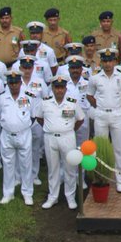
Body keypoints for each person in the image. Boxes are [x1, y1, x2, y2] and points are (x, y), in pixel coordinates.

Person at [87, 47, 121, 193]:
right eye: (104, 61)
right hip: (101, 114)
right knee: (101, 148)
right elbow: (89, 95)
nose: (107, 64)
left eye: (110, 61)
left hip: (117, 114)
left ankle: (120, 179)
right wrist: (98, 106)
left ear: (115, 61)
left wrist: (120, 107)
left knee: (119, 148)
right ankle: (102, 177)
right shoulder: (95, 77)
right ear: (101, 62)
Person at [39, 78, 83, 209]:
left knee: (70, 168)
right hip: (50, 138)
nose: (59, 90)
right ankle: (53, 197)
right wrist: (50, 128)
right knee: (53, 169)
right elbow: (39, 118)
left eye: (62, 87)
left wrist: (70, 130)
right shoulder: (45, 102)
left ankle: (70, 197)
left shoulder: (72, 103)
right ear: (52, 88)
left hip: (67, 137)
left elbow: (80, 119)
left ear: (65, 89)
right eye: (57, 87)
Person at [0, 71, 38, 205]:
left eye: (16, 83)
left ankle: (27, 193)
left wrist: (21, 126)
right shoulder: (1, 98)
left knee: (26, 165)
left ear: (20, 82)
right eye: (11, 83)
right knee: (8, 165)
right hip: (7, 134)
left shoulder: (29, 96)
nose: (13, 85)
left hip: (24, 134)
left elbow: (33, 115)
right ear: (7, 83)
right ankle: (8, 193)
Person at [15, 57, 47, 185]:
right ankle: (18, 176)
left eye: (29, 68)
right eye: (24, 67)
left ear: (33, 68)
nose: (27, 70)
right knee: (18, 148)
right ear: (20, 68)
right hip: (20, 120)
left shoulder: (39, 82)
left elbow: (46, 98)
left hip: (36, 121)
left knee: (34, 149)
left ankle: (34, 175)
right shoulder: (15, 82)